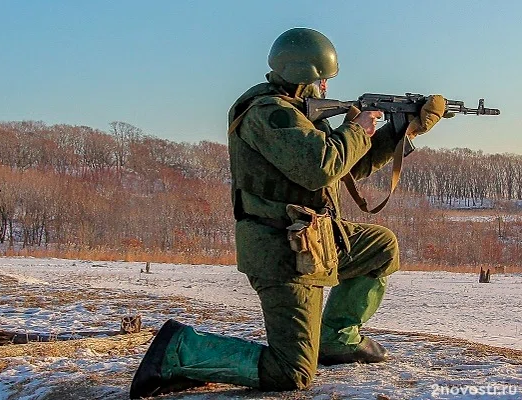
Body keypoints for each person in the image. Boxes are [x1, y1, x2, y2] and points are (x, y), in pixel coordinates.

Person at [129, 28, 447, 397]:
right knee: (292, 373)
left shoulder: (302, 112)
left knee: (379, 244)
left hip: (316, 239)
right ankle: (180, 349)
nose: (326, 85)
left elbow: (347, 167)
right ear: (302, 73)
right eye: (321, 77)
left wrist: (402, 134)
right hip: (282, 251)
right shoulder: (269, 114)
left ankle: (337, 339)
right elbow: (320, 167)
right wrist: (357, 129)